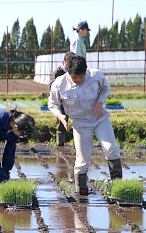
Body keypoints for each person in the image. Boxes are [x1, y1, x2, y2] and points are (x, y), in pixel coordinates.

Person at [48, 54, 122, 195]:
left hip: (99, 118)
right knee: (82, 160)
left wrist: (100, 103)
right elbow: (52, 103)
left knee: (111, 148)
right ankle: (81, 193)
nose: (78, 80)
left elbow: (106, 89)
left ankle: (117, 187)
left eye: (80, 77)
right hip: (80, 122)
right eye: (74, 77)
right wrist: (60, 115)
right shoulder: (59, 83)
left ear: (85, 71)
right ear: (68, 72)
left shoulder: (95, 75)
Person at [48, 51, 74, 146]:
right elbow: (51, 87)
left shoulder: (73, 71)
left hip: (72, 100)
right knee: (61, 123)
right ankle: (60, 144)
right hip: (61, 101)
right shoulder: (58, 72)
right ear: (64, 62)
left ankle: (77, 142)